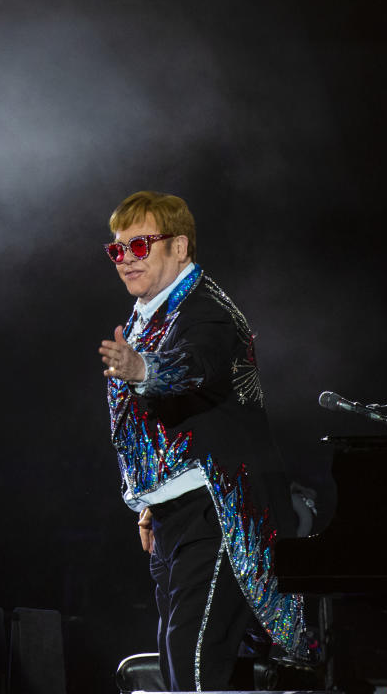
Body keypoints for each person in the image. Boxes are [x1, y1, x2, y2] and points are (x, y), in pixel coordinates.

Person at [97, 191, 306, 690]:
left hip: (219, 509)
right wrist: (151, 500)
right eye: (118, 249)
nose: (127, 258)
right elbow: (156, 426)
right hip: (176, 515)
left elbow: (192, 368)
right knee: (179, 659)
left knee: (191, 659)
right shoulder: (147, 316)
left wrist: (142, 368)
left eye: (141, 245)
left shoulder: (206, 311)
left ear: (180, 248)